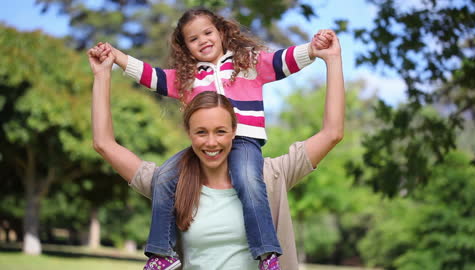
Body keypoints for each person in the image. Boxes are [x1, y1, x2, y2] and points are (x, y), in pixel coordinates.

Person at [90, 6, 334, 269]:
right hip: (198, 151)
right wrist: (116, 58)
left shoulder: (248, 64)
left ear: (221, 31)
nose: (203, 40)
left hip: (245, 141)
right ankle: (163, 253)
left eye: (207, 32)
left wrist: (313, 49)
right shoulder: (187, 78)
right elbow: (153, 76)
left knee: (249, 180)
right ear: (185, 47)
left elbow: (282, 60)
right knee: (164, 177)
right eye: (193, 39)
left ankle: (266, 253)